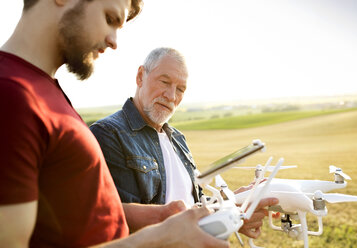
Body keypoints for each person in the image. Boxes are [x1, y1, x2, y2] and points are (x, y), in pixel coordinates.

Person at [0, 1, 234, 247]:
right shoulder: (11, 95)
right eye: (109, 18)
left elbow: (80, 212)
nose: (114, 41)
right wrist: (161, 238)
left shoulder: (42, 90)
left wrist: (162, 216)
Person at [90, 47, 279, 239]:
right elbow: (119, 224)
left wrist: (233, 204)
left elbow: (193, 204)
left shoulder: (178, 139)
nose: (171, 96)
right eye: (165, 82)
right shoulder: (108, 134)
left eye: (180, 89)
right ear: (140, 76)